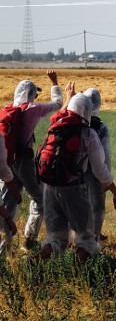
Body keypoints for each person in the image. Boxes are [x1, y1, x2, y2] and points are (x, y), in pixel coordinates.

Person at [34, 86, 116, 262]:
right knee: (86, 239)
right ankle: (79, 275)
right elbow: (100, 170)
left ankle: (34, 263)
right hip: (72, 189)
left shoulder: (56, 126)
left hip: (49, 188)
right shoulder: (88, 133)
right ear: (88, 110)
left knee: (56, 238)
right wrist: (115, 191)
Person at [0, 70, 63, 252]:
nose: (36, 97)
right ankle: (29, 238)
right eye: (35, 93)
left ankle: (4, 247)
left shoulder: (7, 110)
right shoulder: (33, 109)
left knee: (8, 201)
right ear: (31, 94)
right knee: (39, 199)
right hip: (25, 163)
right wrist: (54, 82)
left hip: (7, 161)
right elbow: (58, 103)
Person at [83, 87, 112, 243]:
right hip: (95, 174)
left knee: (80, 205)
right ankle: (93, 239)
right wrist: (106, 180)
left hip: (77, 171)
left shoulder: (76, 121)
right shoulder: (100, 127)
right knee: (97, 207)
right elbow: (104, 155)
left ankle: (79, 237)